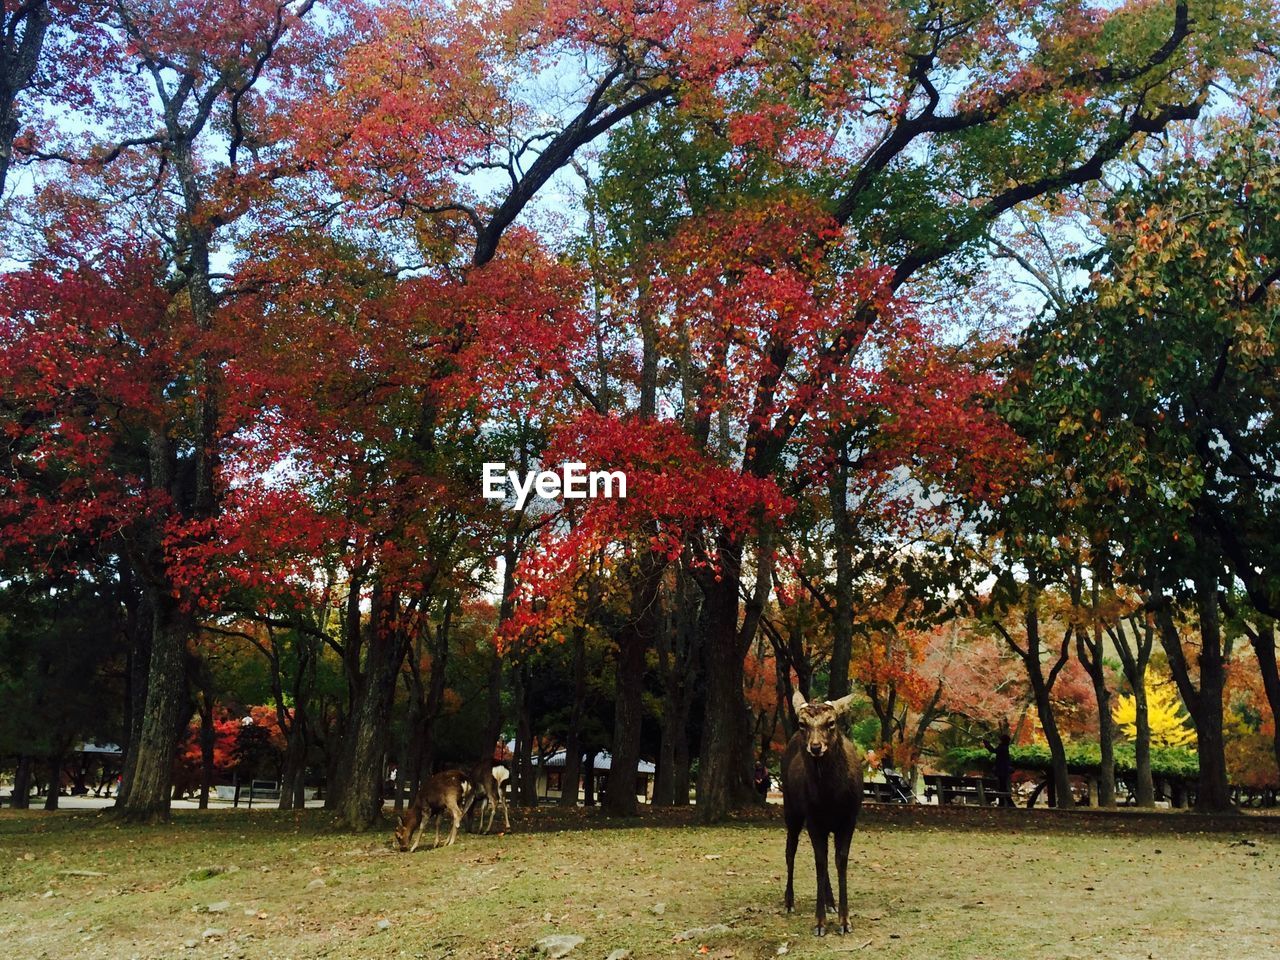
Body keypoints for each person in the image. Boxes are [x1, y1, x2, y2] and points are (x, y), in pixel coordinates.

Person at [983, 732, 1013, 807]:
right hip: (1003, 770)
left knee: (1002, 787)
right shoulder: (1005, 747)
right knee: (1002, 787)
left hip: (1001, 770)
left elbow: (993, 750)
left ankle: (1007, 803)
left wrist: (987, 744)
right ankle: (1004, 803)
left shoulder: (1002, 747)